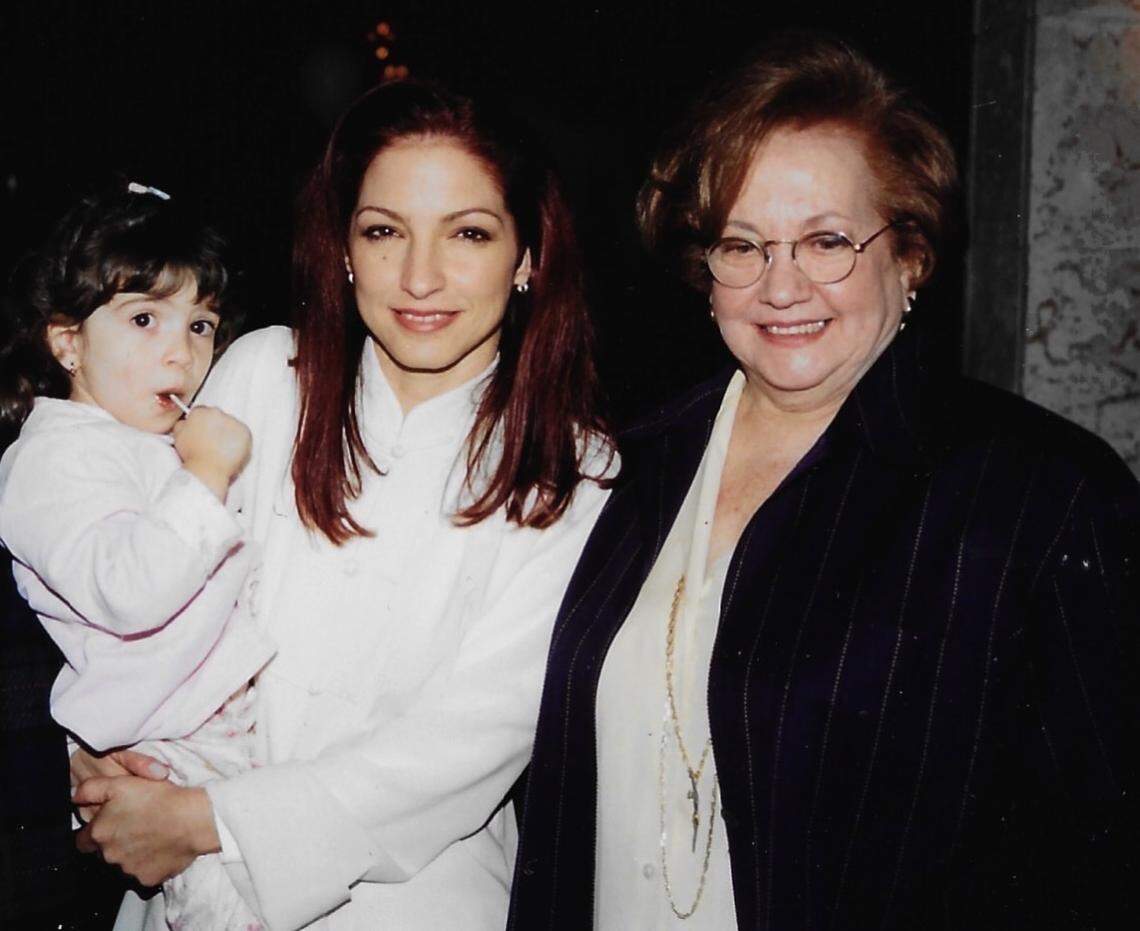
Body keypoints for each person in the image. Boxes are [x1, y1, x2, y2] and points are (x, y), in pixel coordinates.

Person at [509, 32, 1140, 929]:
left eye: (828, 240)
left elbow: (1095, 858)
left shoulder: (1039, 495)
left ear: (911, 253)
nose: (781, 285)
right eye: (743, 244)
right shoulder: (627, 465)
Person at [71, 80, 614, 930]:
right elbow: (128, 574)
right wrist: (100, 752)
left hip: (412, 901)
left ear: (528, 257)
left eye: (467, 233)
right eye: (383, 230)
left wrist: (207, 821)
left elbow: (470, 744)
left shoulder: (574, 469)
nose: (420, 275)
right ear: (346, 248)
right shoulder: (261, 377)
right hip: (177, 883)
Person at [0, 184, 273, 930]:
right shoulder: (50, 460)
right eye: (145, 318)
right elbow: (128, 588)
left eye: (201, 323)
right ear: (67, 341)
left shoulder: (140, 444)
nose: (180, 350)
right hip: (164, 741)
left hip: (223, 723)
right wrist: (208, 475)